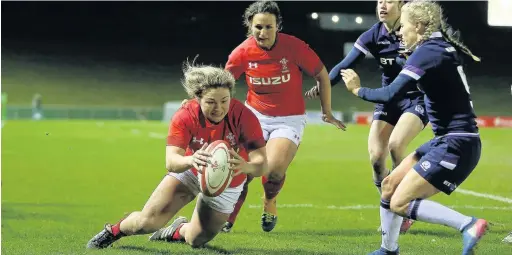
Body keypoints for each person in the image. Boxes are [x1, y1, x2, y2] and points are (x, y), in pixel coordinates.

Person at [341, 1, 487, 254]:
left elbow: (388, 94)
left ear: (418, 26)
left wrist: (356, 89)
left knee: (400, 202)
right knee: (389, 186)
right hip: (447, 140)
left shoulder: (428, 52)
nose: (400, 33)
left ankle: (468, 225)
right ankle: (388, 249)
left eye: (405, 26)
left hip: (457, 144)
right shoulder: (437, 46)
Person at [86, 61, 268, 249]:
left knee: (196, 240)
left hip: (229, 179)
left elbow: (262, 164)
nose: (219, 108)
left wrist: (245, 166)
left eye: (224, 101)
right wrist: (191, 159)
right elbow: (172, 161)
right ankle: (113, 231)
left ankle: (177, 230)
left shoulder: (243, 116)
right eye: (211, 102)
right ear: (197, 98)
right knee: (147, 222)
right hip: (190, 168)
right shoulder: (185, 116)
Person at [221, 0, 346, 233]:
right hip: (254, 116)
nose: (263, 32)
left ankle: (269, 200)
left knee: (274, 171)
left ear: (278, 25)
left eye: (269, 27)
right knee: (243, 169)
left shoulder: (294, 47)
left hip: (288, 119)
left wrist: (326, 111)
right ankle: (228, 217)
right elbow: (222, 84)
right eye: (258, 27)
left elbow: (322, 75)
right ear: (250, 26)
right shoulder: (242, 52)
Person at [306, 0, 428, 234]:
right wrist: (324, 85)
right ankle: (394, 210)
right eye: (379, 1)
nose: (382, 5)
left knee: (396, 145)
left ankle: (403, 202)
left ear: (402, 4)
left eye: (389, 1)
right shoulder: (373, 35)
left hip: (417, 98)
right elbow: (345, 65)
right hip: (387, 99)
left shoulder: (415, 30)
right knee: (376, 157)